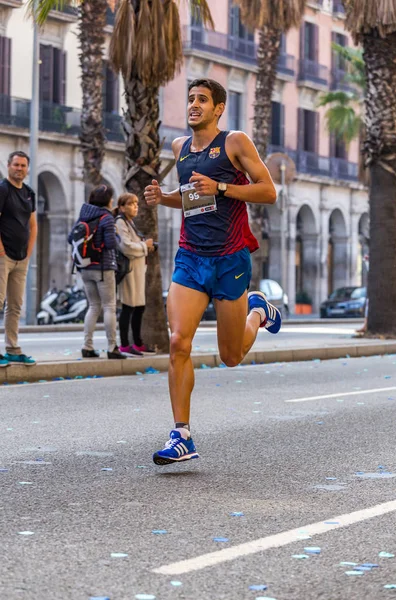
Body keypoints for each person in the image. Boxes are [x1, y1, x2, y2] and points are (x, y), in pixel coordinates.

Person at [144, 78, 279, 465]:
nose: (193, 105)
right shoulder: (180, 148)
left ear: (218, 108)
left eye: (202, 100)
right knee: (178, 343)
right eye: (190, 99)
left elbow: (268, 191)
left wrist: (220, 185)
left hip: (230, 258)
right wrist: (164, 198)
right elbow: (193, 202)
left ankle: (258, 311)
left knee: (231, 356)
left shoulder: (235, 142)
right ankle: (181, 435)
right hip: (190, 256)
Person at [68, 185, 126, 360]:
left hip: (84, 268)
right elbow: (111, 244)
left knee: (93, 306)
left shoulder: (83, 215)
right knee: (109, 306)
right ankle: (112, 347)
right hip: (103, 267)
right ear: (108, 200)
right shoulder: (106, 218)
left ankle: (87, 346)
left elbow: (71, 238)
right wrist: (116, 235)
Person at [0, 151, 37, 367]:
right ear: (8, 166)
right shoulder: (3, 189)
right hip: (4, 257)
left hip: (21, 258)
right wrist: (1, 249)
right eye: (16, 165)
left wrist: (28, 253)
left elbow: (33, 225)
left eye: (23, 165)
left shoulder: (29, 193)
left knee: (15, 306)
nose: (19, 168)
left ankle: (12, 349)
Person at [114, 193, 156, 356]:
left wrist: (145, 246)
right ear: (122, 207)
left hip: (138, 270)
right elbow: (126, 247)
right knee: (128, 307)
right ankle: (125, 343)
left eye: (137, 204)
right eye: (131, 204)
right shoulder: (120, 222)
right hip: (129, 270)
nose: (135, 207)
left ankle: (138, 343)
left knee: (139, 307)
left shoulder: (129, 222)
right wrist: (145, 246)